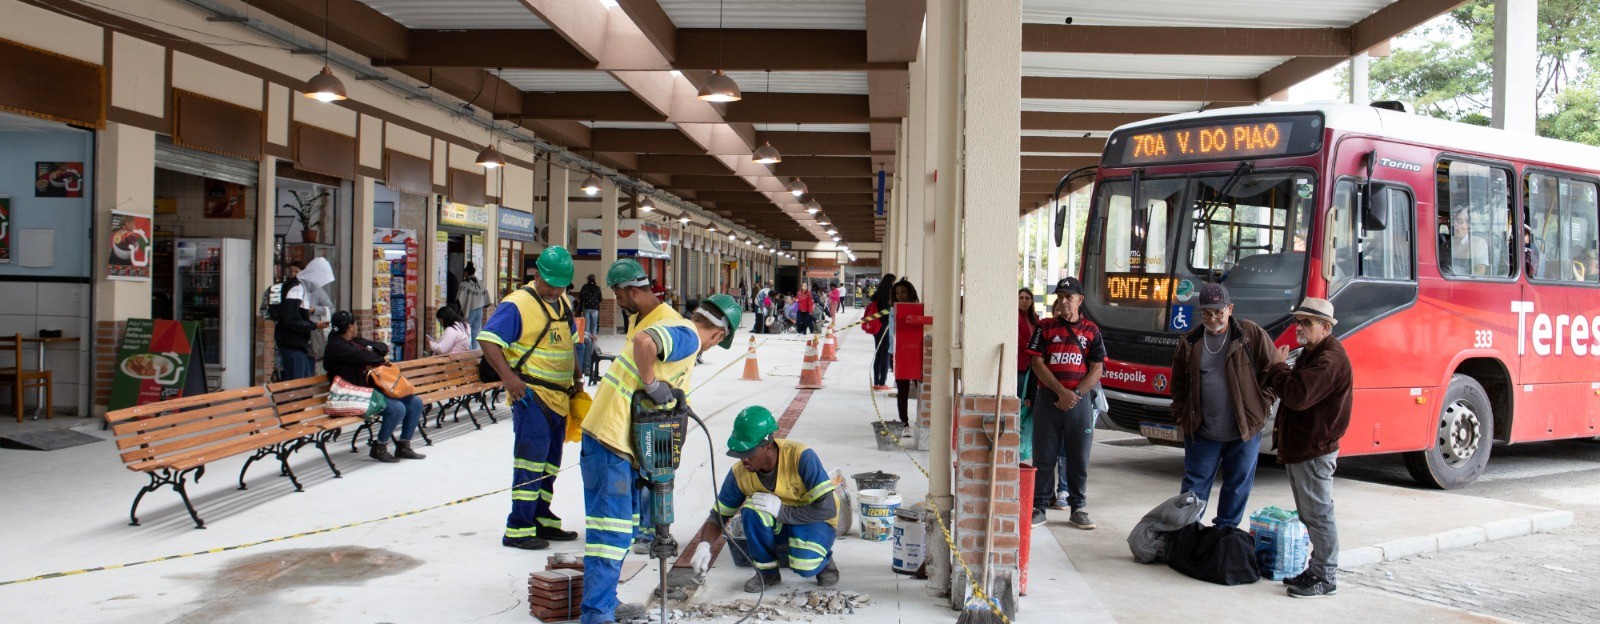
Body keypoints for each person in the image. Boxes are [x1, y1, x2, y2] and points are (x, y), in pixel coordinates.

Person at [579, 287, 741, 624]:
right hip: (611, 437)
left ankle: (604, 603)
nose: (710, 347)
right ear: (718, 333)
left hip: (614, 438)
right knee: (610, 535)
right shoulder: (688, 336)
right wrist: (652, 385)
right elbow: (644, 343)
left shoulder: (681, 332)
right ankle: (596, 615)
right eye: (716, 342)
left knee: (621, 530)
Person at [478, 247, 582, 551]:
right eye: (551, 284)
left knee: (550, 463)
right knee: (530, 461)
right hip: (531, 395)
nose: (555, 290)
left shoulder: (562, 302)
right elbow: (488, 340)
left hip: (560, 395)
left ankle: (541, 518)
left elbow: (571, 342)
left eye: (561, 285)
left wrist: (576, 376)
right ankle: (519, 527)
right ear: (536, 275)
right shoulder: (518, 304)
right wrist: (510, 379)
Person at [688, 406, 842, 592]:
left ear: (768, 446)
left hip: (815, 519)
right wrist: (704, 544)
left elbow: (828, 509)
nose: (743, 460)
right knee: (752, 509)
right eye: (740, 453)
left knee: (805, 564)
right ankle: (767, 573)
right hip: (781, 522)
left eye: (748, 452)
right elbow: (719, 515)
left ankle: (826, 563)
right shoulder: (740, 473)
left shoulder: (800, 456)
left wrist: (782, 511)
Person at [1263, 297, 1353, 599]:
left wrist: (1277, 367)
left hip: (1314, 449)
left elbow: (1297, 395)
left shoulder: (1330, 359)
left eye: (1307, 322)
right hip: (1305, 446)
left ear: (1325, 327)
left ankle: (1325, 576)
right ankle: (1316, 570)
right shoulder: (1315, 352)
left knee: (1318, 514)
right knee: (1310, 513)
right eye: (1298, 321)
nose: (1299, 327)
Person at [1168, 283, 1276, 529]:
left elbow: (1273, 371)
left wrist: (1263, 404)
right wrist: (1183, 419)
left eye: (1218, 312)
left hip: (1243, 431)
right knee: (1193, 488)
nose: (1213, 318)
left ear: (1230, 309)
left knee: (1237, 485)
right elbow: (1178, 387)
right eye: (1207, 313)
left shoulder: (1250, 334)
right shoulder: (1190, 342)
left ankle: (1224, 533)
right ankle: (1187, 533)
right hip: (1203, 431)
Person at [1025, 277, 1105, 530]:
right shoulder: (1045, 327)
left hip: (1078, 403)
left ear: (1080, 300)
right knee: (1044, 455)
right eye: (1059, 297)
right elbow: (1037, 363)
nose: (1063, 302)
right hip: (1049, 400)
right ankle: (1039, 506)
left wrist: (1075, 394)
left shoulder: (1091, 330)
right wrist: (1060, 391)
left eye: (1068, 297)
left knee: (1078, 457)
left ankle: (1078, 507)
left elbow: (1097, 368)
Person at [324, 311, 424, 462]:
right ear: (350, 327)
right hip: (350, 395)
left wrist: (370, 351)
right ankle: (380, 447)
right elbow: (366, 357)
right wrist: (370, 352)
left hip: (368, 391)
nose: (356, 327)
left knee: (415, 402)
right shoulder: (336, 347)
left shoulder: (355, 341)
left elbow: (382, 347)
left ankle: (404, 445)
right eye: (355, 324)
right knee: (397, 409)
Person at [275, 262, 327, 381]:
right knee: (297, 383)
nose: (293, 274)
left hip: (297, 343)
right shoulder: (296, 288)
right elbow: (291, 318)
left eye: (296, 271)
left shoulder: (298, 288)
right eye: (291, 271)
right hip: (293, 342)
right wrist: (314, 325)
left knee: (305, 381)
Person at [890, 279, 921, 429]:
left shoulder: (919, 308)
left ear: (909, 291)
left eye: (903, 292)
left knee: (920, 387)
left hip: (916, 354)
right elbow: (891, 334)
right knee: (902, 391)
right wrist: (892, 354)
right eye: (897, 293)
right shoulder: (893, 311)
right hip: (899, 354)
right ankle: (904, 422)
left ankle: (924, 419)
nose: (900, 295)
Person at [1016, 288, 1039, 463]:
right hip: (1021, 367)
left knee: (1028, 407)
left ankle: (1024, 445)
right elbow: (1019, 340)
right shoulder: (1015, 317)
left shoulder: (1035, 319)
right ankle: (1017, 442)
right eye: (1021, 298)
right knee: (1020, 405)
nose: (1024, 301)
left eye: (1027, 298)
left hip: (1033, 368)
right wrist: (1033, 351)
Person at [865, 273, 897, 391]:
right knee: (885, 354)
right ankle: (882, 383)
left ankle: (876, 382)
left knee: (878, 353)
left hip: (876, 327)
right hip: (886, 327)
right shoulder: (889, 295)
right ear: (891, 282)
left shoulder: (878, 294)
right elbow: (889, 312)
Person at [1445, 204, 1490, 276]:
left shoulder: (1477, 244)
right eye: (1452, 220)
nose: (1454, 224)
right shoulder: (1444, 246)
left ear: (1468, 225)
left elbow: (1479, 273)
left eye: (1459, 221)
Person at [458, 263, 491, 348]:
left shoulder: (465, 284)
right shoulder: (481, 283)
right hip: (479, 311)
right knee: (475, 334)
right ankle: (474, 353)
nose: (463, 274)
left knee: (467, 332)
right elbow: (486, 300)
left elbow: (459, 299)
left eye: (464, 272)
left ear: (466, 272)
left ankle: (469, 352)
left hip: (470, 310)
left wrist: (459, 312)